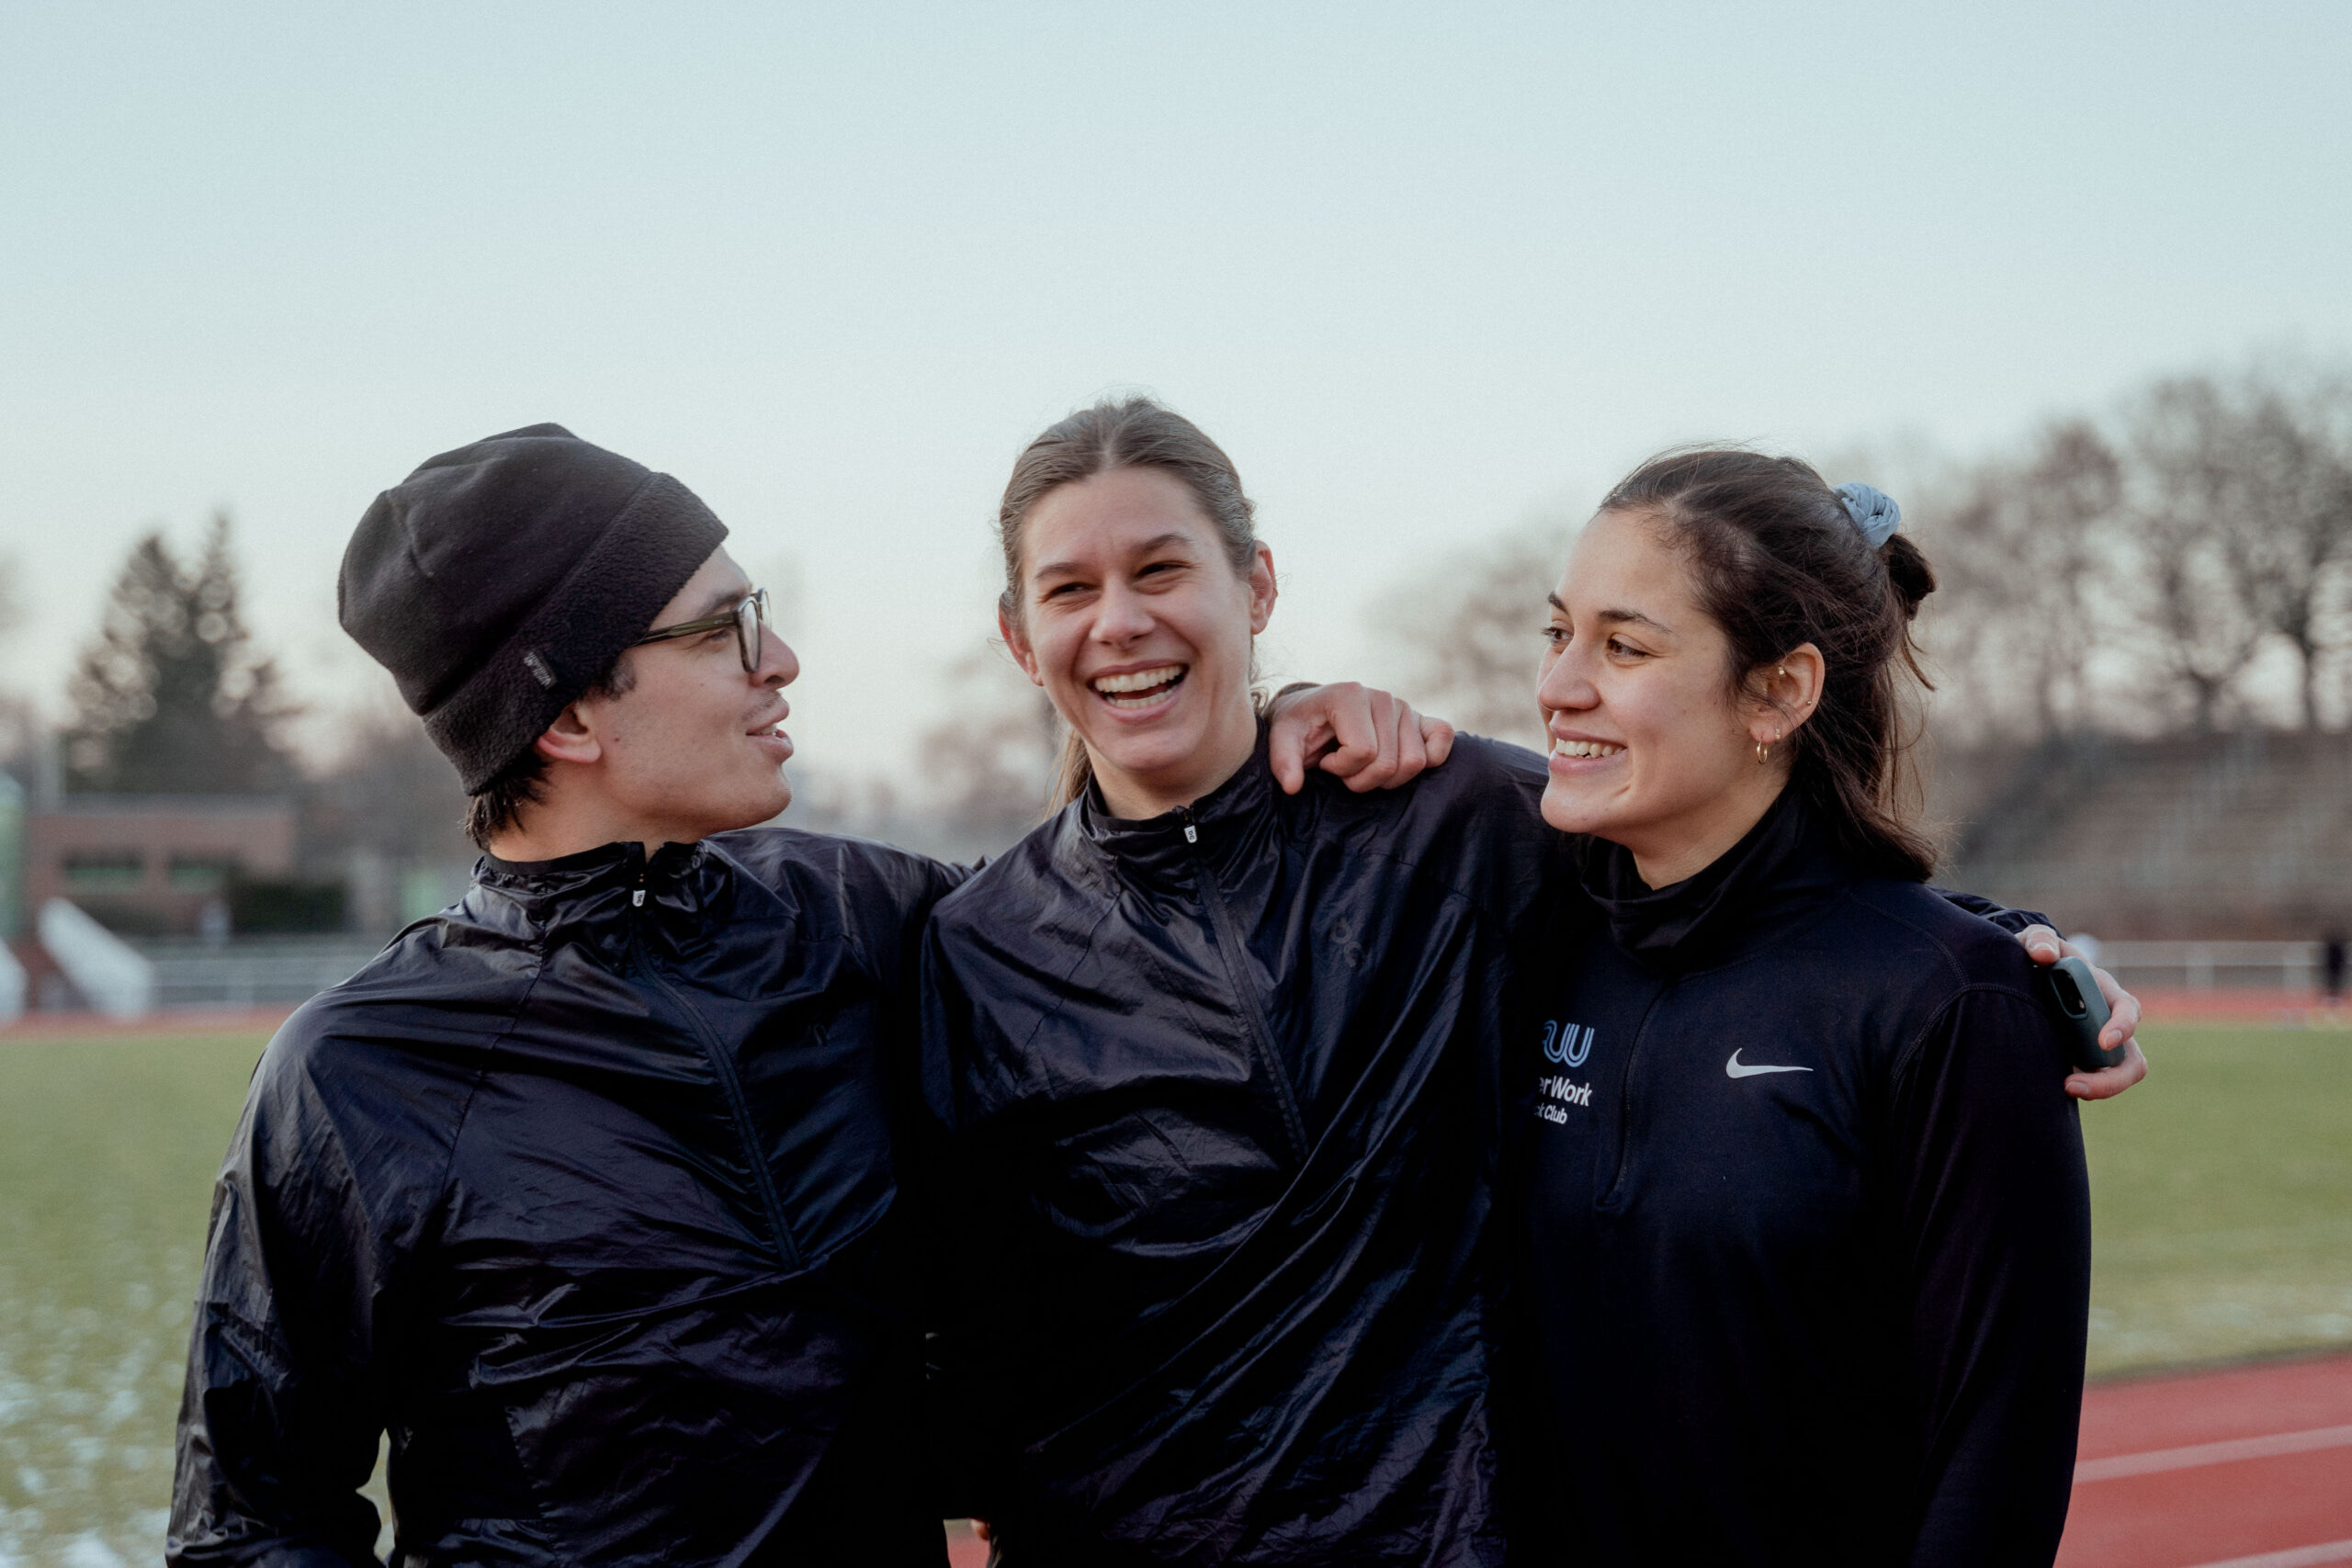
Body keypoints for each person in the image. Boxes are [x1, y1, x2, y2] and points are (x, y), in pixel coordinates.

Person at [167, 423, 1446, 1568]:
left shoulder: (876, 922)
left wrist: (1285, 728)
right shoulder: (359, 1073)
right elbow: (251, 1517)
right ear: (564, 717)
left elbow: (1121, 901)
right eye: (723, 627)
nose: (779, 657)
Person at [917, 400, 2143, 1566]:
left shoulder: (1454, 829)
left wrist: (2018, 961)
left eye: (1163, 569)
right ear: (1019, 635)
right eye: (1072, 588)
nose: (1120, 619)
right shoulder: (974, 947)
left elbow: (1777, 901)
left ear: (1258, 586)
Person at [1514, 453, 2096, 1564]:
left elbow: (1996, 1474)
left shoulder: (1952, 1002)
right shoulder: (1528, 938)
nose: (1558, 685)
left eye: (1622, 646)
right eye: (1558, 634)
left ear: (1779, 691)